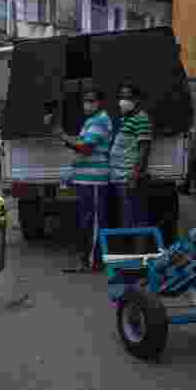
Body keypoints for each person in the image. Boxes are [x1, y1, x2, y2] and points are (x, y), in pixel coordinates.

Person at [57, 89, 113, 272]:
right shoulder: (91, 121)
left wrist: (64, 137)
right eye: (85, 101)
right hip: (86, 180)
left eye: (92, 101)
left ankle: (93, 261)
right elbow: (82, 144)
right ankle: (87, 259)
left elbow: (86, 148)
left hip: (94, 180)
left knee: (94, 221)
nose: (87, 104)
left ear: (100, 103)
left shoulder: (100, 121)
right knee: (86, 220)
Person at [110, 83, 154, 251]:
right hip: (121, 178)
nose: (123, 101)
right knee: (129, 219)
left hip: (130, 177)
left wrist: (135, 176)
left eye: (127, 97)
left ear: (137, 100)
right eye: (121, 97)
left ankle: (140, 259)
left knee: (138, 219)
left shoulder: (141, 119)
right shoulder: (126, 119)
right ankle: (134, 259)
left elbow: (144, 150)